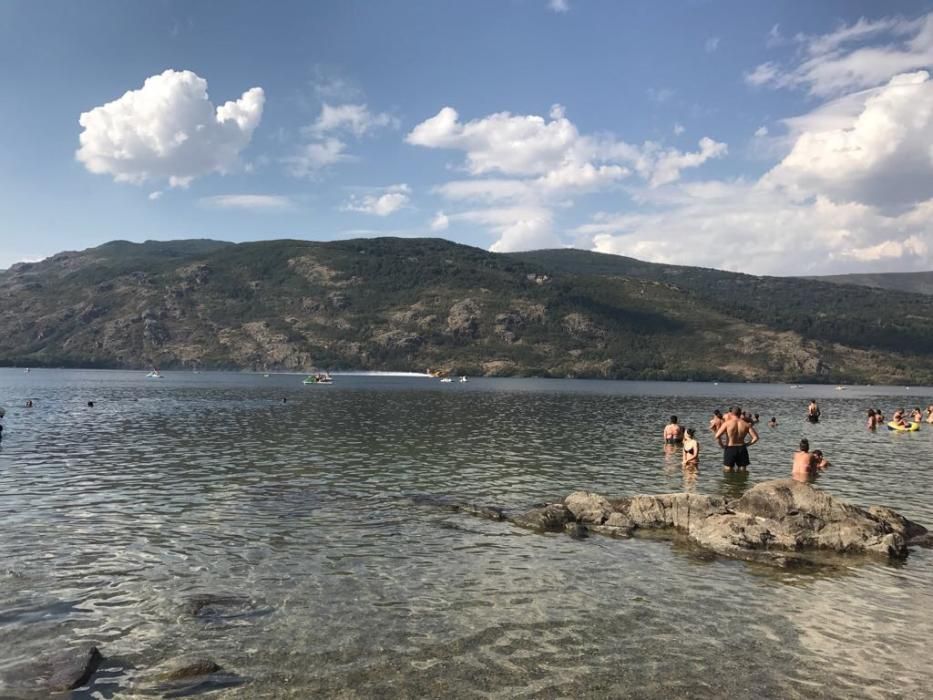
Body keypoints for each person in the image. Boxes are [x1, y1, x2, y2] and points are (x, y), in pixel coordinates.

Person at [715, 406, 759, 472]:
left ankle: (729, 482)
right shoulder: (746, 424)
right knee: (742, 471)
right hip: (742, 448)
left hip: (730, 448)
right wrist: (747, 444)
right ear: (740, 413)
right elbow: (755, 438)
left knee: (728, 470)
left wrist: (722, 445)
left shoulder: (727, 423)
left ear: (731, 414)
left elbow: (717, 436)